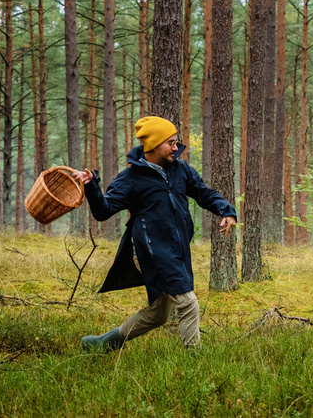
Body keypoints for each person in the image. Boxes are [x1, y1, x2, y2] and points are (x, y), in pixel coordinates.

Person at [73, 116, 237, 350]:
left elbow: (204, 193)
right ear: (153, 145)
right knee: (188, 302)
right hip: (151, 253)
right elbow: (103, 210)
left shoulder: (180, 170)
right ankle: (197, 360)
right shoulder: (130, 179)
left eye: (176, 141)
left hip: (177, 251)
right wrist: (91, 186)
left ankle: (100, 344)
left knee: (158, 314)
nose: (176, 147)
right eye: (170, 142)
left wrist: (227, 211)